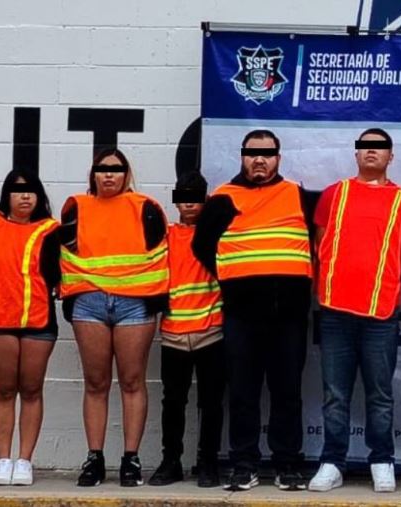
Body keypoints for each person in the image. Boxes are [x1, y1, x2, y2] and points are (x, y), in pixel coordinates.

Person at [193, 130, 314, 492]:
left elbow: (319, 243)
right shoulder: (223, 198)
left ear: (278, 158)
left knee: (287, 392)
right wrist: (235, 279)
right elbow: (202, 247)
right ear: (242, 157)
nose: (259, 160)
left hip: (289, 316)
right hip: (242, 316)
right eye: (252, 153)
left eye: (267, 153)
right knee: (242, 393)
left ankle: (287, 464)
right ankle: (243, 464)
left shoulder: (298, 195)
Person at [307, 128, 401, 493]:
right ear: (356, 154)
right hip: (335, 312)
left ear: (391, 156)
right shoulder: (333, 194)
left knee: (380, 394)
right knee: (335, 394)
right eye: (365, 147)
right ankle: (332, 462)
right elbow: (321, 245)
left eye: (379, 147)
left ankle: (382, 460)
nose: (372, 152)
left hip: (380, 314)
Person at [59, 148, 169, 487]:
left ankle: (130, 459)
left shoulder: (146, 207)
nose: (109, 175)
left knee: (132, 381)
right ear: (93, 174)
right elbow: (63, 253)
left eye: (116, 169)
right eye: (102, 169)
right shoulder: (75, 207)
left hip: (135, 304)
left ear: (126, 174)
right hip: (89, 303)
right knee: (96, 383)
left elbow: (161, 256)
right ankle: (95, 458)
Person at [0, 169, 59, 486]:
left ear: (40, 196)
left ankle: (24, 462)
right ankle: (3, 459)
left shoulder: (51, 229)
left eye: (31, 190)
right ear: (7, 195)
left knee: (31, 390)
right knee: (4, 390)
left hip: (38, 321)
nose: (25, 196)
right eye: (18, 190)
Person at [148, 172, 226, 488]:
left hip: (211, 331)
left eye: (195, 197)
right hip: (174, 332)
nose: (189, 203)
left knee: (211, 402)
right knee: (173, 402)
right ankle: (171, 462)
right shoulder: (165, 236)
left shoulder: (217, 236)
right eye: (183, 197)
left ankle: (208, 463)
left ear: (205, 200)